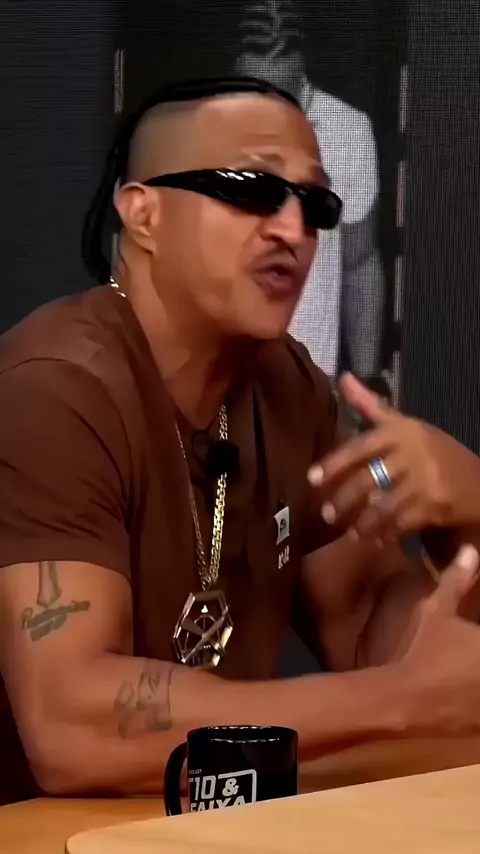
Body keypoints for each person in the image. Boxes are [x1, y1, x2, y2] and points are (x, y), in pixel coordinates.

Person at [0, 76, 480, 805]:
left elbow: (381, 634)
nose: (293, 229)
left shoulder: (289, 385)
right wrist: (397, 703)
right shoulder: (55, 389)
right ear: (144, 213)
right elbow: (72, 728)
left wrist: (468, 514)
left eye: (315, 205)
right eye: (252, 190)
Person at [235, 31, 383, 378]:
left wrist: (366, 385)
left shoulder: (346, 130)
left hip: (307, 377)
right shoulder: (198, 128)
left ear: (300, 69)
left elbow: (360, 264)